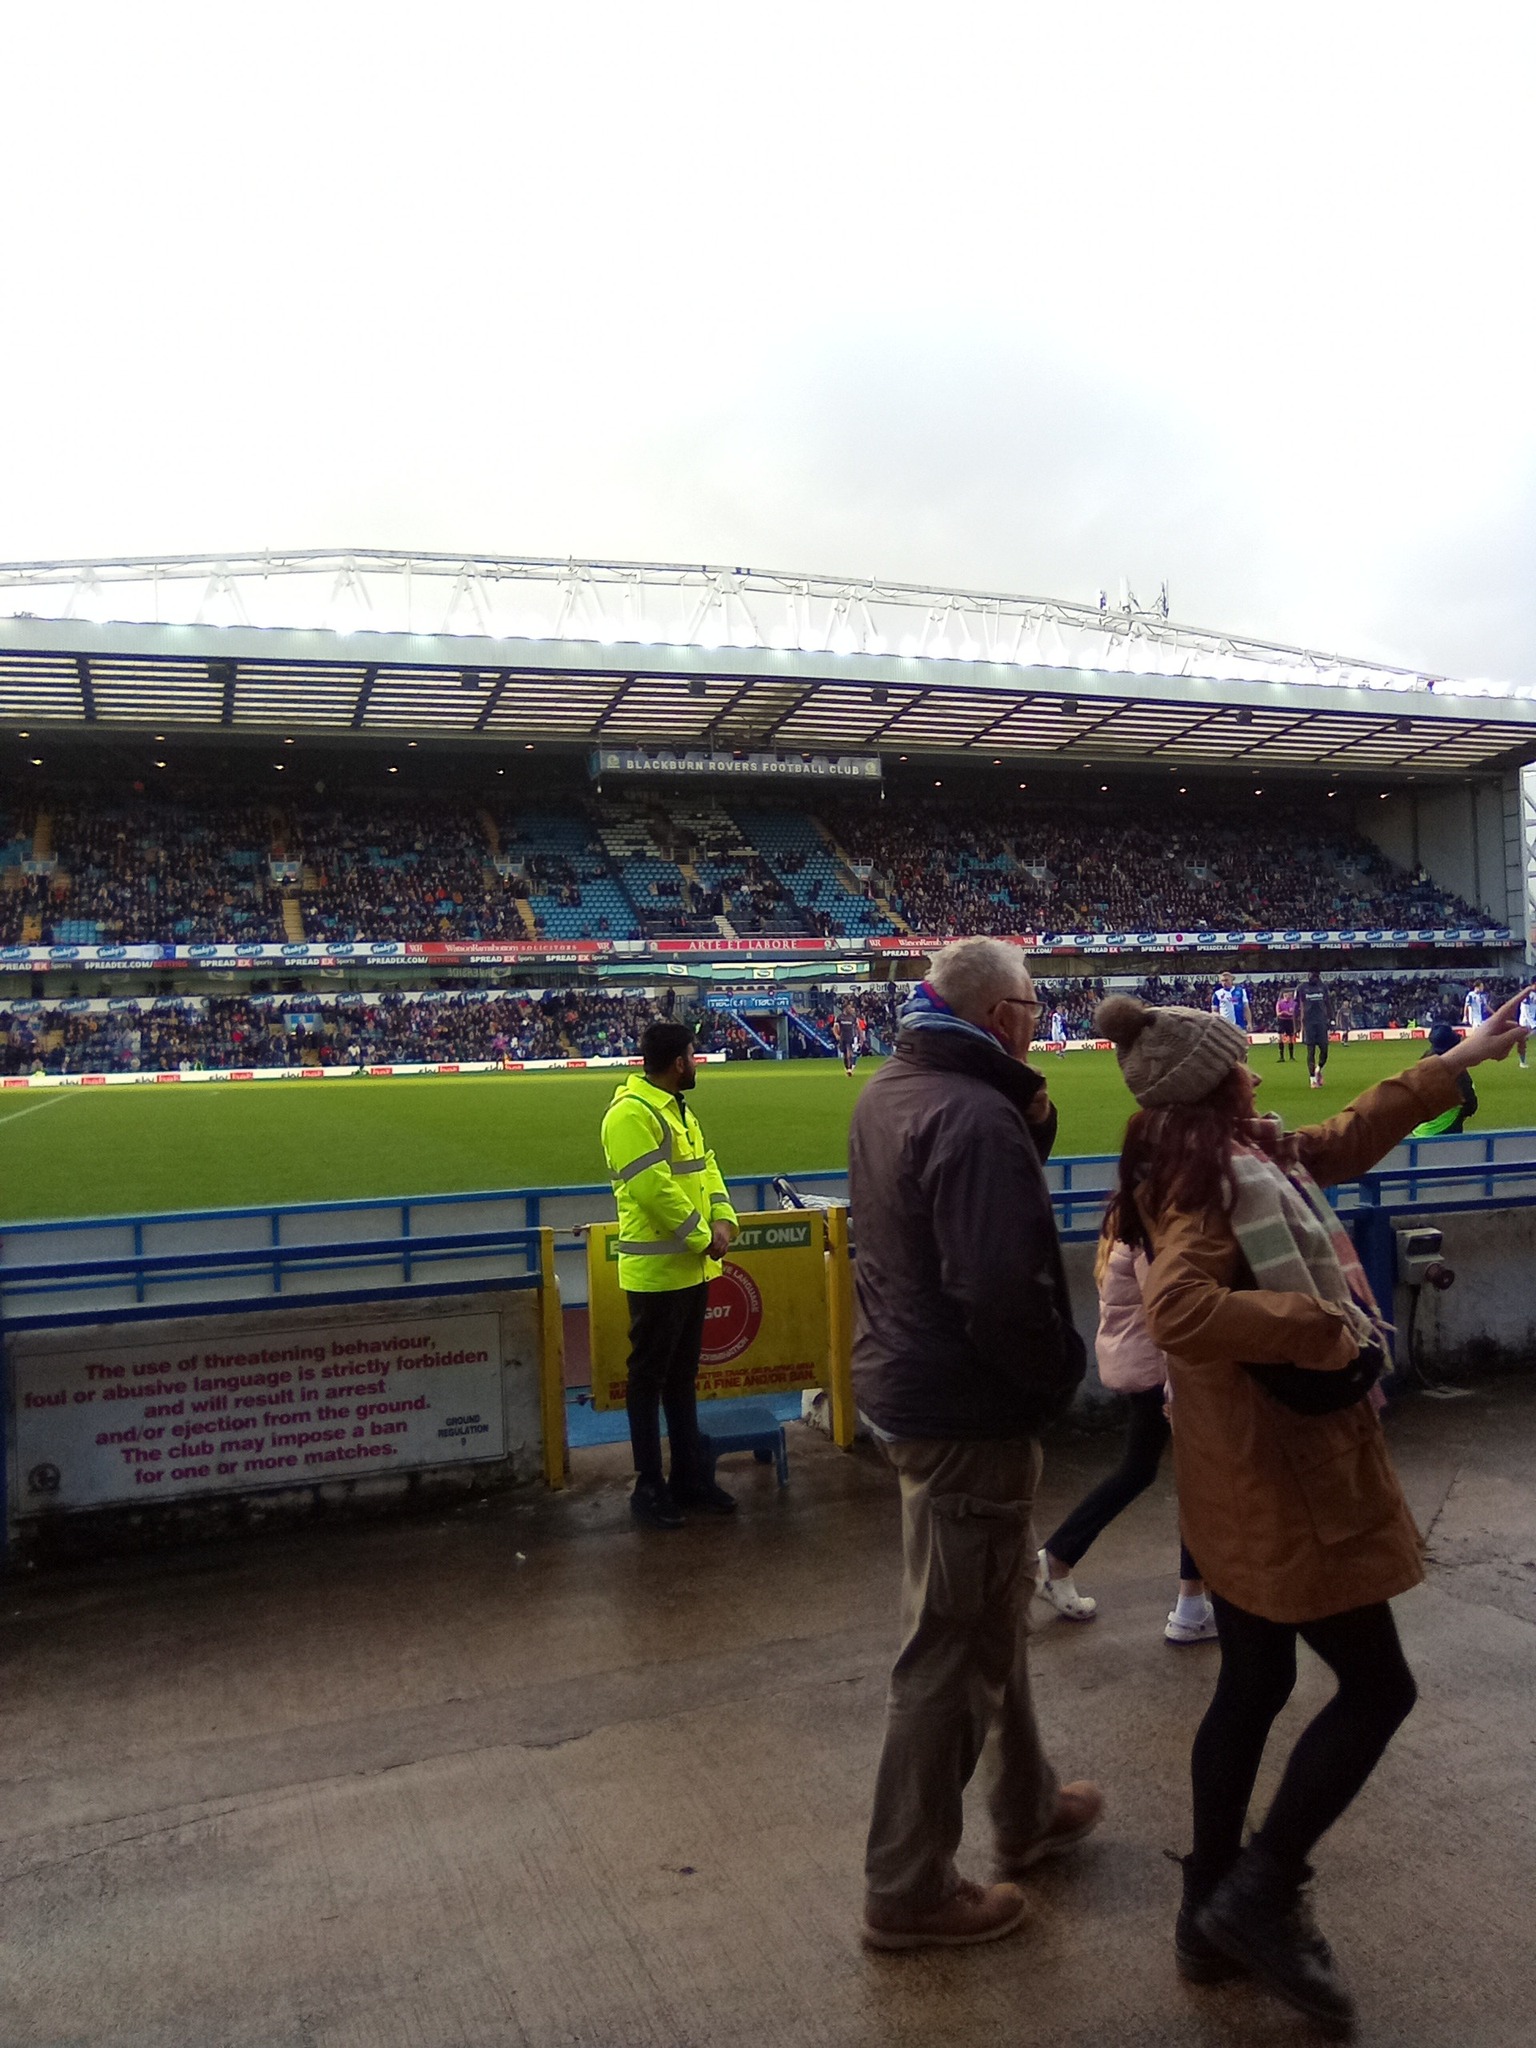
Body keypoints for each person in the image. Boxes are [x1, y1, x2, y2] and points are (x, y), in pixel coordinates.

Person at [1094, 986, 1528, 2032]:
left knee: (1255, 1680)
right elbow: (1181, 1307)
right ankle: (1261, 1888)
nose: (1255, 1069)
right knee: (1379, 1687)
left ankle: (1206, 1912)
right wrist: (1320, 1322)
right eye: (1239, 1060)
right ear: (1214, 1084)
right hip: (1286, 1477)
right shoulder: (1210, 1176)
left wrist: (1460, 1057)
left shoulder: (1230, 1153)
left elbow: (1341, 1140)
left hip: (1240, 1470)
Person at [849, 937, 1101, 1953]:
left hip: (910, 1387)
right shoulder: (974, 1114)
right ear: (1001, 1017)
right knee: (952, 1649)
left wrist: (1026, 1118)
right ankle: (907, 1885)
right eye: (1033, 1007)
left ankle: (1027, 1805)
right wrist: (1055, 1374)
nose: (1040, 1022)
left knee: (991, 1610)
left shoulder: (893, 1089)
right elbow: (1000, 1288)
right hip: (966, 1409)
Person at [1035, 1226, 1216, 1644]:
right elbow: (1166, 1315)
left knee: (1141, 1471)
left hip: (1143, 1367)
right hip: (1159, 1373)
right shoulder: (1149, 1236)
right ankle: (1190, 1606)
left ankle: (1057, 1559)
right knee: (1195, 1480)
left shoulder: (1123, 1225)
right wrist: (1177, 1390)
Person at [599, 1021, 740, 1529]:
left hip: (689, 1268)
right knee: (648, 1379)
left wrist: (723, 1219)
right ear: (679, 1062)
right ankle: (648, 1485)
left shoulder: (675, 1109)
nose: (696, 1061)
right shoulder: (630, 1114)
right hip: (657, 1272)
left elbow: (707, 1167)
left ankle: (687, 1477)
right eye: (693, 1054)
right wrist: (705, 1236)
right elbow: (652, 1190)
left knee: (681, 1378)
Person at [1411, 1021, 1477, 1135]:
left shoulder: (1423, 1062)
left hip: (1420, 1129)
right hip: (1445, 1128)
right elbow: (1469, 1100)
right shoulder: (1455, 1068)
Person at [1299, 969, 1330, 1088]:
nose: (1312, 977)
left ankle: (1318, 1069)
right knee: (1310, 1051)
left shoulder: (1323, 987)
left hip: (1321, 1022)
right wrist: (1298, 1024)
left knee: (1324, 1050)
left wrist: (1332, 1019)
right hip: (1309, 1023)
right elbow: (1299, 1005)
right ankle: (1312, 1079)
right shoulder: (1303, 988)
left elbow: (1328, 1003)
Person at [1273, 986, 1298, 1063]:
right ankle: (1281, 1057)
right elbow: (1278, 1014)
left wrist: (1284, 1012)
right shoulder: (1279, 1003)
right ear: (1283, 996)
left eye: (1289, 995)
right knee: (1280, 1038)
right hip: (1282, 1021)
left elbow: (1294, 1014)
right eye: (1286, 995)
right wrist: (1286, 1013)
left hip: (1289, 1021)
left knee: (1291, 1038)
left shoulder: (1293, 1003)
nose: (1287, 997)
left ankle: (1291, 1057)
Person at [837, 1005, 860, 1076]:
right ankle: (847, 1067)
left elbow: (857, 1027)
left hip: (851, 1037)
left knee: (849, 1052)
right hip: (843, 1037)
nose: (850, 1009)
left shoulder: (853, 1017)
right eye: (849, 1008)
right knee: (845, 1054)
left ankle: (850, 1067)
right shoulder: (840, 1017)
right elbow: (835, 1026)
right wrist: (836, 1035)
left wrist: (860, 1036)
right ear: (845, 1008)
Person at [1520, 988, 1536, 1069]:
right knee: (1523, 1043)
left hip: (1531, 1021)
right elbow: (1525, 1011)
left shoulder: (1533, 994)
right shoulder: (1526, 996)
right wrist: (1533, 1023)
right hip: (1525, 1022)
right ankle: (1522, 1062)